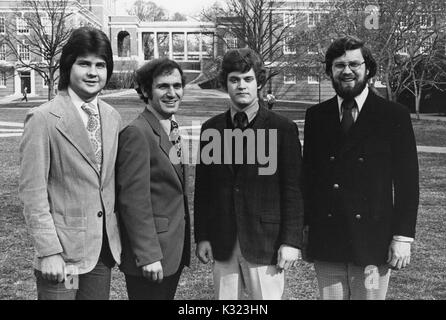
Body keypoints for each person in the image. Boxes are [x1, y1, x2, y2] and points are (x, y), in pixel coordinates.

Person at [302, 35, 419, 300]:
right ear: (330, 70)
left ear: (368, 68)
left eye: (354, 64)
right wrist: (305, 227)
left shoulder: (393, 115)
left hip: (373, 244)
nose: (347, 71)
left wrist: (403, 237)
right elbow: (309, 178)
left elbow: (407, 182)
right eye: (339, 65)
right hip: (327, 240)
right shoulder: (316, 117)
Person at [18, 27, 122, 300]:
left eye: (100, 65)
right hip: (63, 256)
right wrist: (49, 251)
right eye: (84, 63)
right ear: (68, 65)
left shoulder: (112, 117)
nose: (93, 72)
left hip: (101, 253)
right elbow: (33, 193)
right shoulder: (43, 118)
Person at [194, 48, 304, 300]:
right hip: (223, 241)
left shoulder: (282, 128)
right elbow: (204, 190)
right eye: (234, 80)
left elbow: (293, 190)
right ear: (225, 84)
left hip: (266, 242)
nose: (241, 86)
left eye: (248, 79)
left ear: (259, 82)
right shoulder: (212, 129)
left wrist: (291, 241)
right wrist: (203, 236)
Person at [116, 58, 190, 300]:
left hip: (171, 251)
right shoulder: (137, 133)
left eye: (177, 86)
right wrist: (148, 256)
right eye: (163, 86)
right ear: (146, 91)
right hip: (151, 258)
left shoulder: (172, 128)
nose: (172, 93)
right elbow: (133, 202)